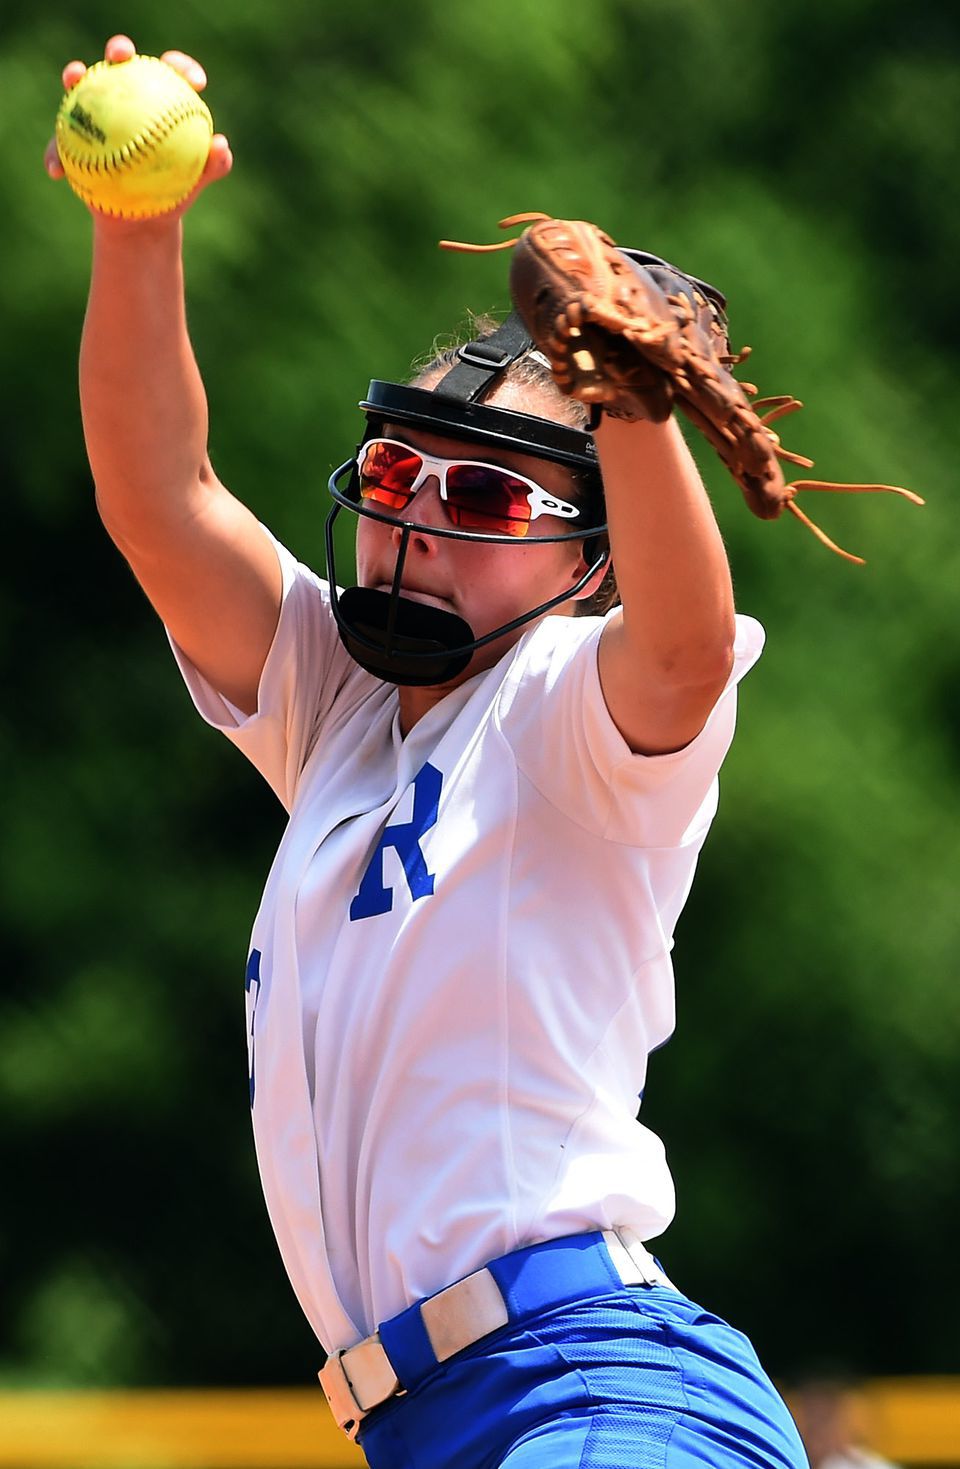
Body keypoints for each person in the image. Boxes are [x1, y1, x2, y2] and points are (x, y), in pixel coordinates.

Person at [49, 34, 809, 1469]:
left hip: (594, 1383)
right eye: (400, 476)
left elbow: (689, 647)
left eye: (481, 493)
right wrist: (137, 234)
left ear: (586, 564)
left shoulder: (570, 710)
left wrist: (630, 401)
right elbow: (159, 498)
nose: (416, 521)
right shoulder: (337, 713)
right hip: (428, 1421)